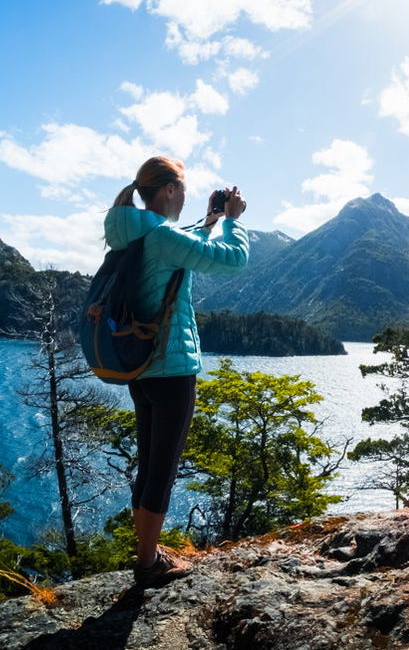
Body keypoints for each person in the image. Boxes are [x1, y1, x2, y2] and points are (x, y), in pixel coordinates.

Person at [104, 156, 249, 586]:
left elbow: (180, 247)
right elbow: (234, 258)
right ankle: (148, 564)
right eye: (182, 188)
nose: (184, 195)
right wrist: (234, 221)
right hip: (172, 366)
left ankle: (146, 551)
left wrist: (209, 219)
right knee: (162, 469)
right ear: (169, 190)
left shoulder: (137, 231)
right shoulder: (162, 236)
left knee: (149, 462)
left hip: (144, 365)